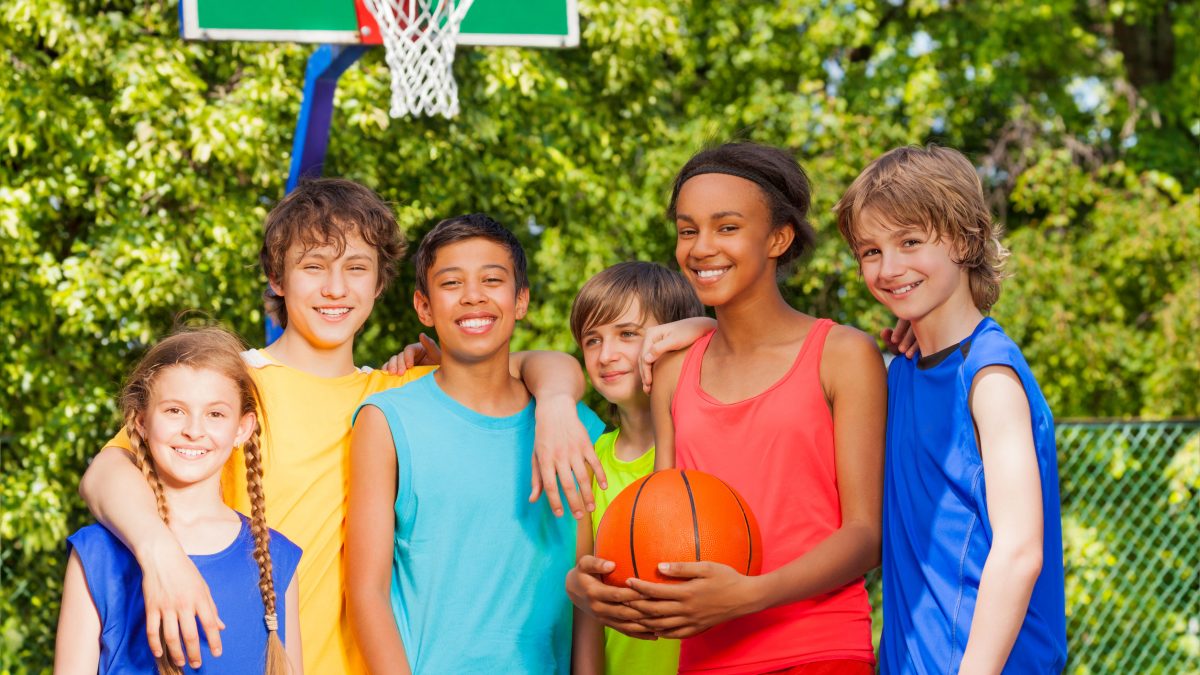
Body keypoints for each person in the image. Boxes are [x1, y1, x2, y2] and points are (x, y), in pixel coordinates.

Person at [77, 179, 603, 673]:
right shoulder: (233, 388)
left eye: (356, 268)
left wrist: (557, 401)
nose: (335, 288)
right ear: (277, 279)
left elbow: (526, 361)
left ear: (379, 285)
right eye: (313, 266)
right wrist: (159, 553)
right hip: (239, 653)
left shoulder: (400, 394)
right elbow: (105, 473)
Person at [574, 142, 886, 674]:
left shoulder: (843, 355)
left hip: (820, 650)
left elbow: (864, 536)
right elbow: (663, 526)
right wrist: (595, 589)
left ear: (778, 238)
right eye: (688, 229)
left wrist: (751, 594)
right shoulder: (673, 368)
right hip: (705, 658)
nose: (701, 247)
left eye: (726, 227)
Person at [833, 145, 1067, 673]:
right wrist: (707, 330)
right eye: (870, 251)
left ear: (965, 240)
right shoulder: (903, 373)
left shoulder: (989, 376)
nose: (889, 268)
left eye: (910, 242)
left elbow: (1019, 551)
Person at [346, 214, 607, 674]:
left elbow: (586, 598)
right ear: (424, 307)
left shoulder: (573, 429)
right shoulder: (386, 422)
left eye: (492, 279)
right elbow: (367, 593)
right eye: (451, 283)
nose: (473, 295)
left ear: (521, 299)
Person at [55, 327, 302, 674]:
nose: (194, 430)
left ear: (242, 429)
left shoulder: (277, 556)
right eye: (174, 411)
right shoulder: (97, 552)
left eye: (215, 414)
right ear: (141, 422)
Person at [566, 261, 705, 675]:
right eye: (592, 340)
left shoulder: (699, 446)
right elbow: (587, 606)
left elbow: (743, 336)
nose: (607, 355)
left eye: (627, 334)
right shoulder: (589, 460)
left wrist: (702, 327)